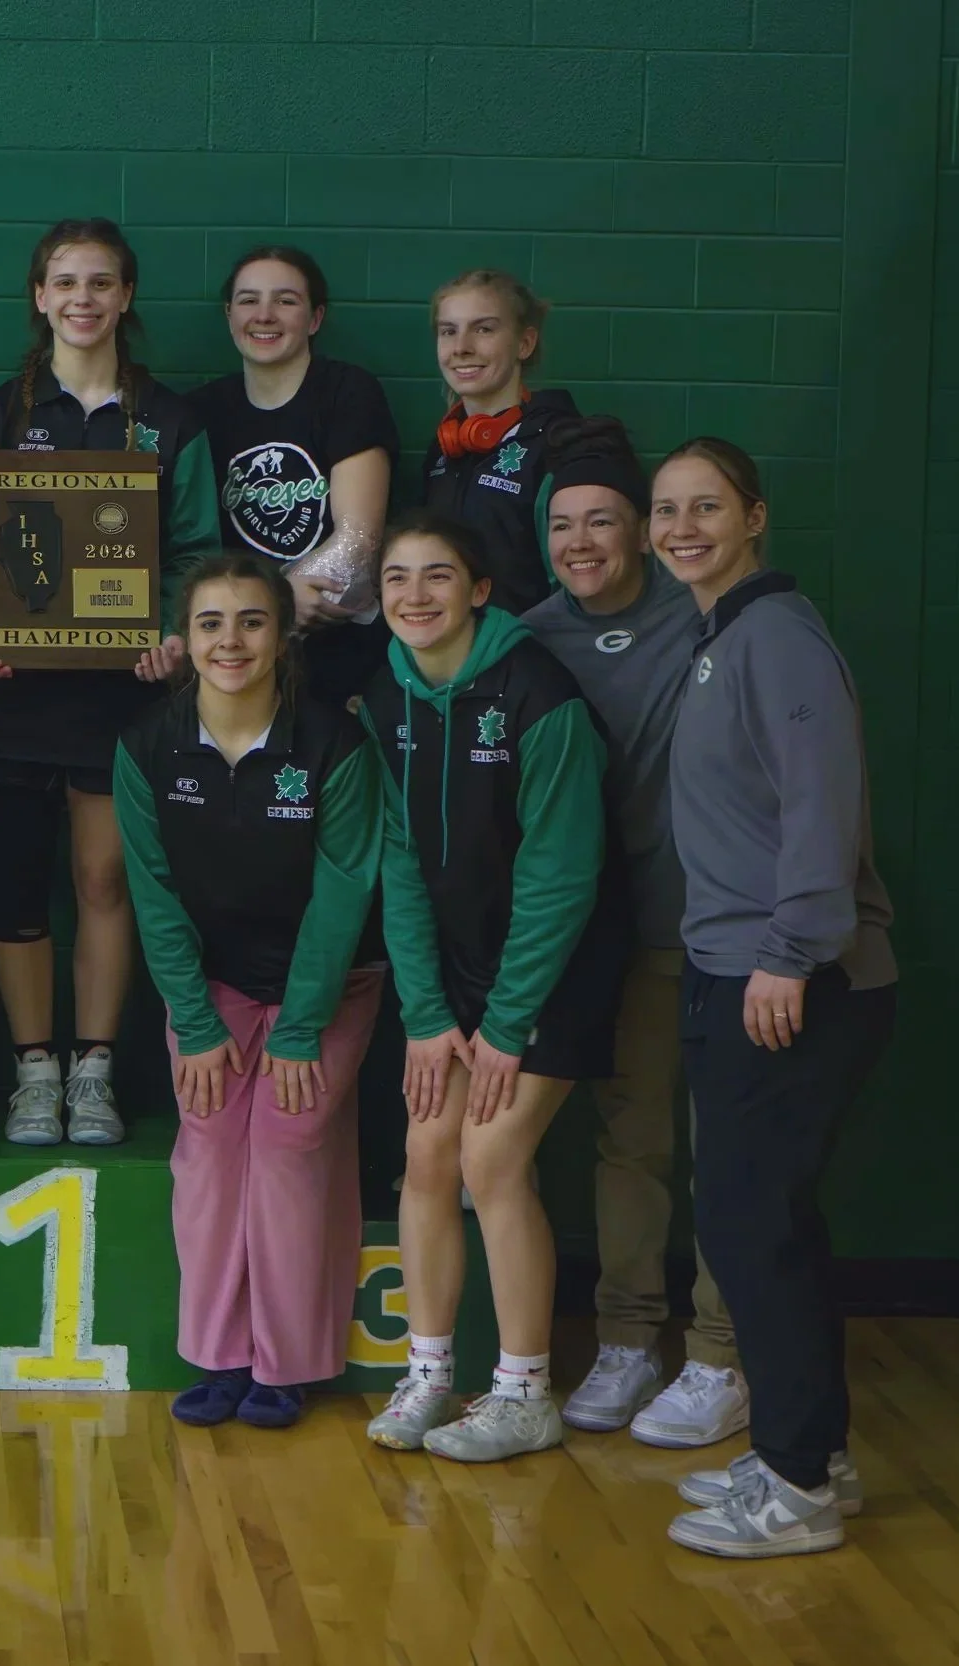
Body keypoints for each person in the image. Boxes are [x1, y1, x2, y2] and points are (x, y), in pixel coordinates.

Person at [653, 439, 897, 1560]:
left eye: (706, 506)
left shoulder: (780, 638)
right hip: (737, 971)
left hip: (786, 982)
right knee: (771, 1227)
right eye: (667, 509)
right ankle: (815, 1456)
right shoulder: (724, 636)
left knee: (752, 1228)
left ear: (754, 516)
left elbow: (821, 805)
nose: (680, 526)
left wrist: (790, 954)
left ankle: (795, 1485)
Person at [0, 216, 221, 1147]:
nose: (83, 300)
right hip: (12, 693)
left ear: (127, 297)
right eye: (65, 282)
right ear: (39, 296)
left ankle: (93, 1070)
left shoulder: (171, 420)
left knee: (104, 878)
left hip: (122, 691)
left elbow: (193, 550)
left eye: (101, 283)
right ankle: (35, 1073)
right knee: (15, 887)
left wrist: (174, 634)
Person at [359, 511, 628, 1462]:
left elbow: (561, 876)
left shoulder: (537, 694)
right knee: (424, 1154)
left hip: (554, 967)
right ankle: (430, 1375)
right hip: (456, 977)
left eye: (439, 576)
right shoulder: (384, 701)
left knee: (489, 1161)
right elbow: (396, 861)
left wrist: (507, 1024)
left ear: (479, 591)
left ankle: (524, 1392)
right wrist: (428, 1017)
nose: (416, 596)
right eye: (397, 578)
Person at [115, 552, 381, 1430]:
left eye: (252, 621)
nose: (231, 641)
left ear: (282, 635)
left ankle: (288, 1362)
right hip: (214, 984)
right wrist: (192, 1023)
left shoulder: (333, 744)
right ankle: (223, 1356)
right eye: (210, 623)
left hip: (328, 982)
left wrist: (301, 1030)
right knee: (209, 1138)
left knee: (288, 1142)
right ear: (184, 639)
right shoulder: (147, 745)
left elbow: (344, 895)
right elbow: (152, 894)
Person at [519, 418, 744, 1444]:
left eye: (602, 521)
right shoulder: (524, 639)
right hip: (601, 937)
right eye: (561, 525)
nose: (580, 542)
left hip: (712, 930)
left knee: (729, 1147)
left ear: (640, 533)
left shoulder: (708, 620)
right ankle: (624, 1340)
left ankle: (722, 1353)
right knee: (632, 1140)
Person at [186, 246, 400, 699]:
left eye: (285, 300)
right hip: (233, 662)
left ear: (315, 318)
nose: (264, 315)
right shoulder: (200, 411)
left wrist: (268, 607)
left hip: (338, 662)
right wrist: (273, 605)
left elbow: (358, 544)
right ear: (229, 315)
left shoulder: (348, 392)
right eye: (248, 300)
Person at [417, 270, 580, 616]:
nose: (461, 347)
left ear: (525, 343)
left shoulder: (561, 443)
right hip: (451, 653)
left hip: (532, 652)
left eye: (484, 329)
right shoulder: (444, 448)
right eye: (449, 331)